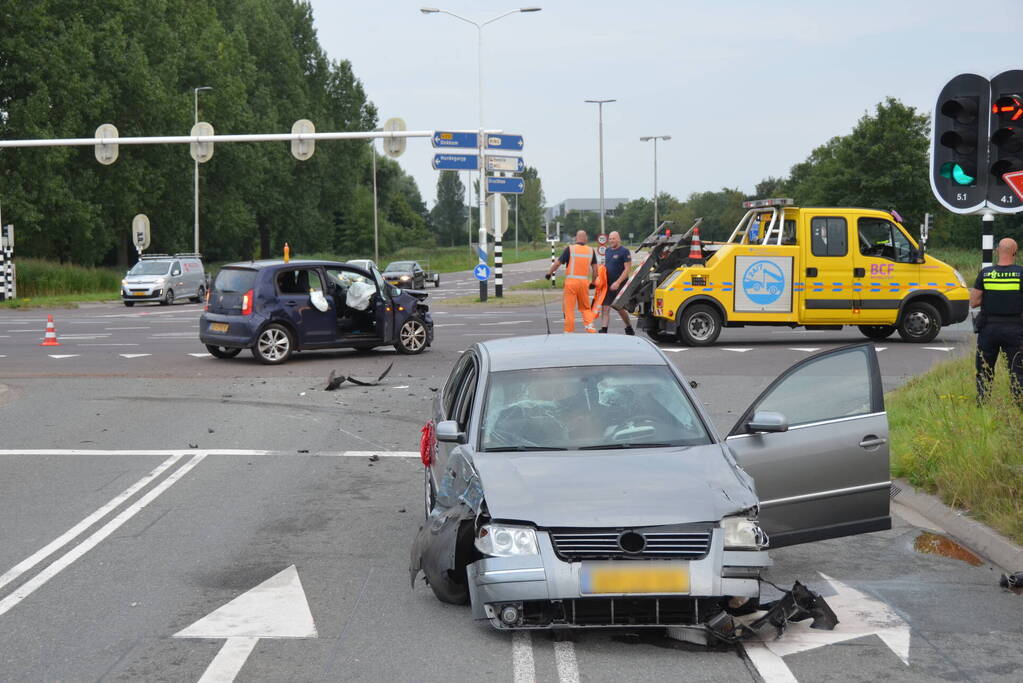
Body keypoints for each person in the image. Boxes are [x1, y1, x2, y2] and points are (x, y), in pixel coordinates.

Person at [971, 237, 1023, 404]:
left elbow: (974, 302)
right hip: (1015, 329)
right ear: (1015, 252)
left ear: (997, 251)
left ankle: (983, 403)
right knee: (1017, 370)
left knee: (984, 369)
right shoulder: (1021, 273)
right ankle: (1019, 405)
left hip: (988, 329)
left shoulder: (986, 274)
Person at [546, 230, 598, 333]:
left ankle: (569, 331)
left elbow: (557, 264)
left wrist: (549, 273)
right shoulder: (590, 250)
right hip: (584, 283)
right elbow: (595, 269)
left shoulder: (570, 249)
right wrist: (593, 282)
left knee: (569, 309)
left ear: (576, 238)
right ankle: (590, 329)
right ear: (586, 238)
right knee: (586, 308)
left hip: (571, 283)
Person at [599, 231, 634, 335]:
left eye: (613, 238)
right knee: (605, 307)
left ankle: (629, 327)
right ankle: (604, 330)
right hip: (608, 284)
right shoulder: (607, 251)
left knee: (619, 308)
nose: (611, 241)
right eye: (610, 239)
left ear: (618, 239)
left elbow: (627, 269)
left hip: (620, 284)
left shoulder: (625, 251)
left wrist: (618, 282)